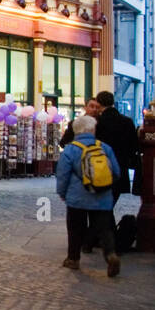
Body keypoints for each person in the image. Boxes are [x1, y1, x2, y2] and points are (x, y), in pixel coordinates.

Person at [56, 113, 122, 277]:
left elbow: (62, 175)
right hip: (102, 197)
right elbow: (116, 172)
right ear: (92, 129)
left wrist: (62, 193)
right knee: (104, 229)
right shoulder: (104, 148)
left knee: (75, 228)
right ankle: (110, 255)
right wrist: (104, 186)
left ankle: (73, 259)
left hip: (77, 198)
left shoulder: (70, 150)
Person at [95, 90, 140, 233]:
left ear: (99, 103)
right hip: (120, 168)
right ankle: (106, 237)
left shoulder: (98, 123)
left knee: (103, 205)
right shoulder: (127, 122)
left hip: (101, 169)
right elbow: (134, 147)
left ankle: (98, 239)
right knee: (108, 204)